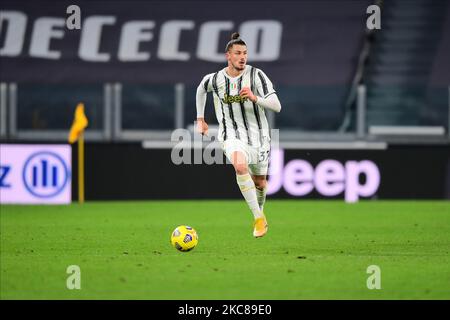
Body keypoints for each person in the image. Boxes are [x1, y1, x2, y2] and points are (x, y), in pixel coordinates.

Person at [195, 32, 282, 238]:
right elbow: (201, 88)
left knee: (260, 182)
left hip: (259, 137)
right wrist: (200, 118)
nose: (242, 57)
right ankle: (258, 218)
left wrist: (254, 97)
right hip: (231, 135)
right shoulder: (216, 79)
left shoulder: (256, 75)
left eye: (245, 53)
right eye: (238, 53)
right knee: (240, 165)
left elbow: (277, 106)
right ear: (228, 56)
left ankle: (260, 213)